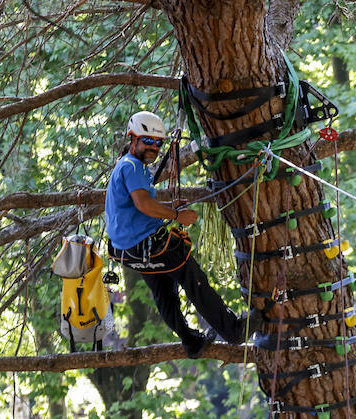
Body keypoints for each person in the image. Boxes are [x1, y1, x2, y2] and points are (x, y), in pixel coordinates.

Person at [104, 110, 255, 357]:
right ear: (132, 138)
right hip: (145, 245)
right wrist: (176, 216)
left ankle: (190, 341)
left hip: (127, 250)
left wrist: (169, 209)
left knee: (163, 291)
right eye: (148, 141)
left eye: (158, 143)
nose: (153, 148)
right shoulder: (132, 166)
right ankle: (234, 331)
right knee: (195, 280)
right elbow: (143, 204)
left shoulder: (127, 165)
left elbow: (135, 208)